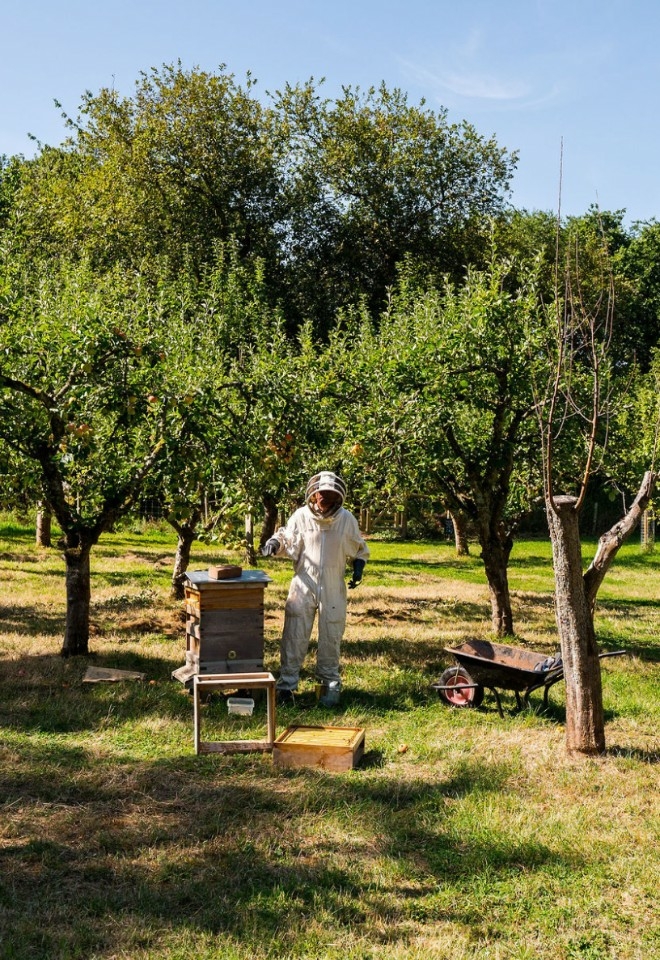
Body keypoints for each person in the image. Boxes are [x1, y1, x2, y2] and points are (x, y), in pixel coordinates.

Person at [261, 471, 369, 707]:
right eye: (322, 494)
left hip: (334, 584)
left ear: (338, 497)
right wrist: (274, 543)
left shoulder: (346, 519)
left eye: (330, 495)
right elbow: (287, 538)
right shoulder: (301, 516)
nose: (324, 499)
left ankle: (329, 685)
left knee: (331, 635)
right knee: (294, 634)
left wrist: (358, 569)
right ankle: (286, 687)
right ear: (314, 494)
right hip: (303, 582)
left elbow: (359, 548)